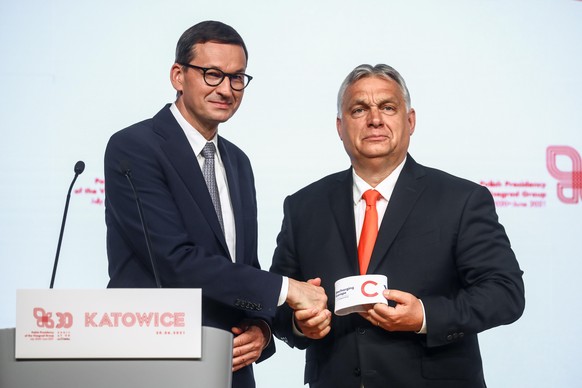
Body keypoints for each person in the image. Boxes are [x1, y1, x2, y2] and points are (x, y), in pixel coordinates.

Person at [270, 63, 525, 388]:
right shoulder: (303, 206)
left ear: (410, 120)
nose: (374, 119)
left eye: (387, 107)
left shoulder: (461, 199)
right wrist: (299, 323)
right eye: (358, 109)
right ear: (340, 126)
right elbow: (278, 303)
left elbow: (505, 293)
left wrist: (425, 316)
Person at [104, 20, 327, 388]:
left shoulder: (238, 162)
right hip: (158, 364)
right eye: (212, 74)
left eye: (237, 77)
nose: (226, 89)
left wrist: (262, 328)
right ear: (178, 75)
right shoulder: (135, 147)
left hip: (231, 368)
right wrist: (289, 290)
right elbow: (174, 262)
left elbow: (243, 266)